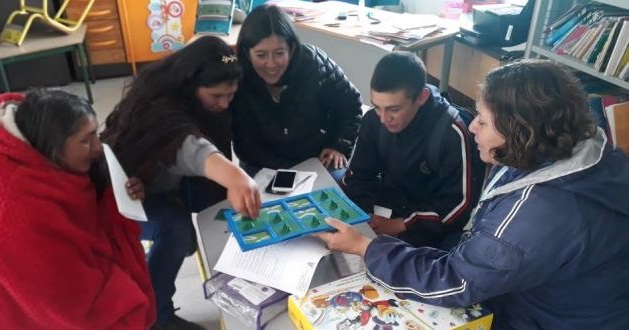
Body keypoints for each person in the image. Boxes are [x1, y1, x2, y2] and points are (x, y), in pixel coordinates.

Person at [314, 59, 629, 328]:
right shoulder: (577, 148)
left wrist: (368, 249)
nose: (473, 127)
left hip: (553, 319)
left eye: (482, 120)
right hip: (557, 293)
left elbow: (456, 281)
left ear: (519, 131)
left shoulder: (539, 213)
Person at [100, 36, 261, 329]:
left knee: (218, 213)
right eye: (216, 96)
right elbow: (187, 146)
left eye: (230, 95)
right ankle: (155, 316)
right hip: (125, 191)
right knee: (174, 229)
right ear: (190, 85)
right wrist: (236, 177)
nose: (224, 104)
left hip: (168, 182)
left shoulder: (205, 99)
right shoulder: (158, 108)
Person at [0, 89, 155, 329]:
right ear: (52, 145)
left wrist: (116, 197)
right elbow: (65, 301)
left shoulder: (29, 143)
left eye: (96, 134)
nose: (98, 147)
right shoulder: (18, 202)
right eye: (86, 140)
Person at [343, 52, 483, 248]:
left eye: (393, 109)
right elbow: (358, 176)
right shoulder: (373, 121)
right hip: (386, 209)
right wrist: (363, 217)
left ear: (421, 97)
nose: (383, 119)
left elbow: (457, 207)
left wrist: (400, 225)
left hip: (428, 226)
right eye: (376, 107)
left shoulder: (452, 133)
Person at [231, 5, 363, 180]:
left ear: (291, 48)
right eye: (261, 55)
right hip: (263, 163)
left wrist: (339, 145)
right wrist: (290, 172)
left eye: (279, 53)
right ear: (248, 54)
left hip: (318, 157)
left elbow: (351, 103)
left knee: (336, 192)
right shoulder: (239, 79)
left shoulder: (313, 64)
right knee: (259, 204)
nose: (271, 64)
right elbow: (246, 145)